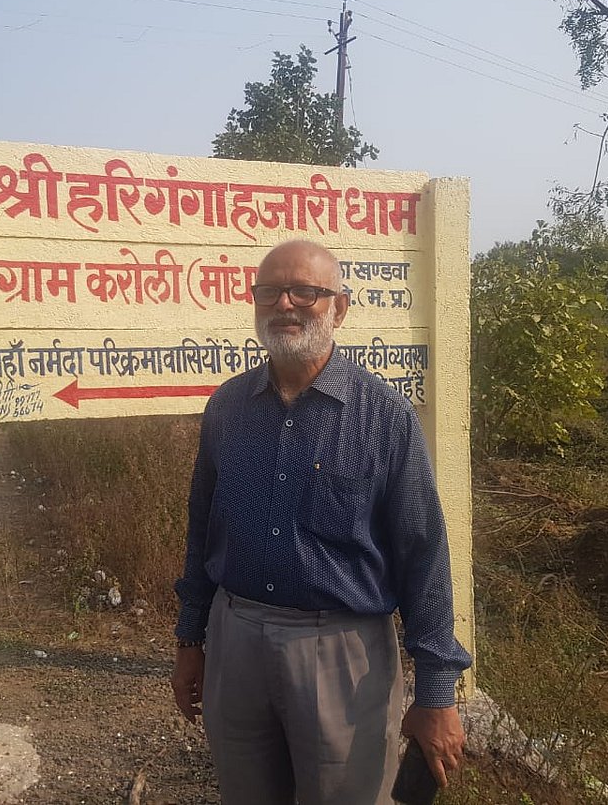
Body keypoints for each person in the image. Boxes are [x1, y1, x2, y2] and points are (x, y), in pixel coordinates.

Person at [171, 238, 472, 805]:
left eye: (305, 291)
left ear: (340, 307)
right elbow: (202, 527)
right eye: (269, 291)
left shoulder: (385, 417)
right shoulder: (228, 407)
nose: (284, 303)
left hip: (343, 653)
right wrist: (191, 638)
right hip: (236, 639)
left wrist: (437, 691)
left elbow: (423, 554)